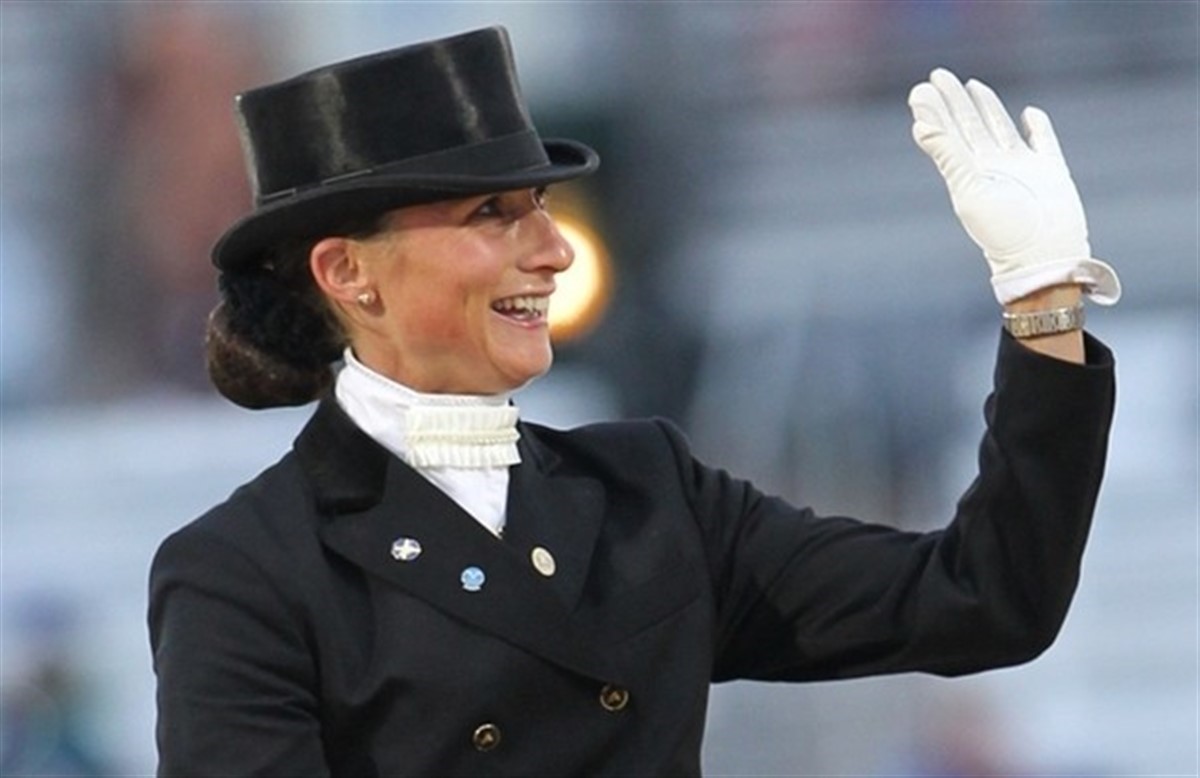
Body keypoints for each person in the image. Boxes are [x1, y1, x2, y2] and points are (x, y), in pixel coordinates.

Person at [148, 26, 1118, 777]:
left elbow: (985, 598)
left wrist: (1041, 301)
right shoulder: (244, 573)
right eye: (492, 213)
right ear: (347, 271)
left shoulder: (648, 492)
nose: (553, 250)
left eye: (540, 206)